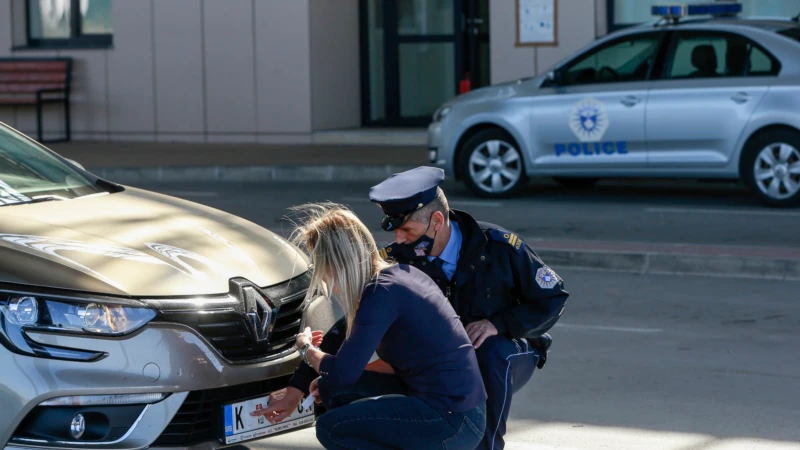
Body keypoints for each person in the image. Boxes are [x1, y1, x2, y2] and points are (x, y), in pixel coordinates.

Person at [255, 203, 486, 449]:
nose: (323, 277)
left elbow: (343, 372)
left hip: (453, 420)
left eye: (322, 267)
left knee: (332, 428)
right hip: (463, 411)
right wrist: (300, 386)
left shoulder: (381, 294)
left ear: (338, 263)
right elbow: (342, 344)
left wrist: (307, 349)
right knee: (331, 387)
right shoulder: (399, 276)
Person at [369, 166, 569, 450]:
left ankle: (487, 446)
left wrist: (498, 324)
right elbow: (363, 316)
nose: (399, 239)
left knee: (488, 350)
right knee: (350, 384)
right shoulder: (397, 259)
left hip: (504, 355)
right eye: (396, 229)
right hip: (437, 359)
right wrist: (316, 370)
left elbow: (553, 298)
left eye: (407, 229)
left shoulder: (500, 246)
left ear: (436, 221)